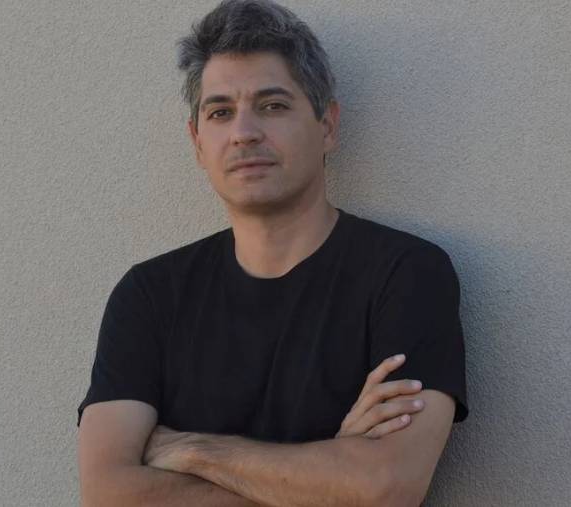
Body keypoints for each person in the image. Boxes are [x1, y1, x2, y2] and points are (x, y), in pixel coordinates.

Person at [76, 1, 469, 505]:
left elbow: (386, 487)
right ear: (197, 142)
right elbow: (108, 493)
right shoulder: (150, 295)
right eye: (220, 112)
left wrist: (193, 450)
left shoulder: (406, 274)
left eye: (273, 106)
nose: (244, 133)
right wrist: (331, 474)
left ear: (327, 125)